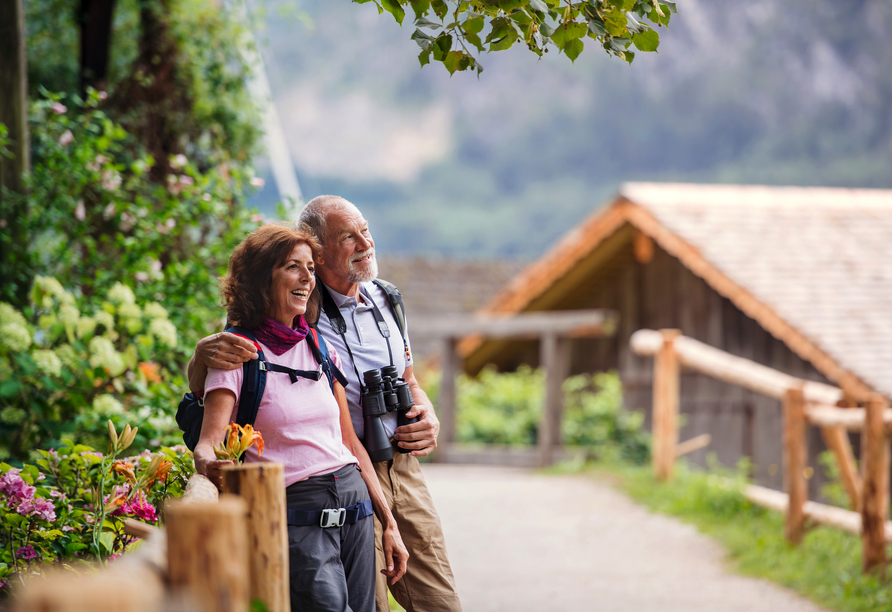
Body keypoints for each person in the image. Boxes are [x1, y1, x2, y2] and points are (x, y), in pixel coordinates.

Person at [188, 198, 462, 612]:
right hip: (328, 481)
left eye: (365, 230)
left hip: (396, 469)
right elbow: (225, 371)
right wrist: (199, 357)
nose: (364, 243)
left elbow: (409, 380)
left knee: (440, 601)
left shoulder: (387, 299)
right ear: (318, 247)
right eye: (347, 237)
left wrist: (427, 411)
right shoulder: (297, 316)